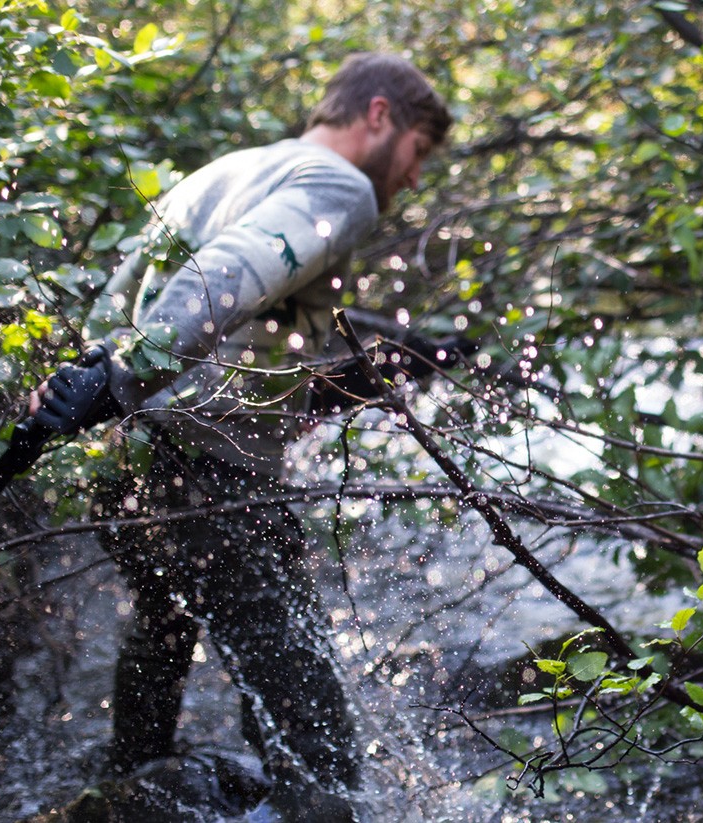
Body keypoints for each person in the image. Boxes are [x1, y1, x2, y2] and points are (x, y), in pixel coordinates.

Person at [29, 52, 460, 819]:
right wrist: (125, 372)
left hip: (127, 458)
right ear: (380, 114)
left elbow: (156, 296)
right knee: (312, 728)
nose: (414, 178)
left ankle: (124, 794)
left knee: (162, 632)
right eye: (420, 152)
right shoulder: (341, 186)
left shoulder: (231, 171)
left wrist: (96, 380)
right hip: (204, 463)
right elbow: (225, 274)